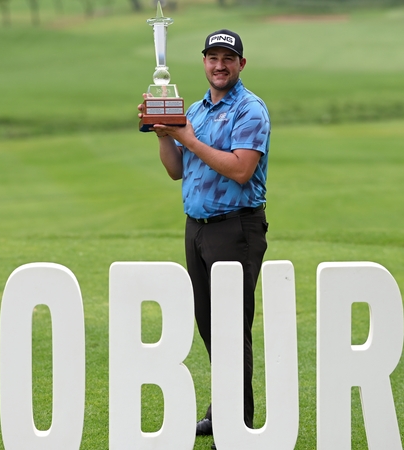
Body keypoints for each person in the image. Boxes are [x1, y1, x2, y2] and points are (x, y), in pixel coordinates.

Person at [138, 29, 270, 447]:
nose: (219, 65)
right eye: (212, 57)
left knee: (233, 327)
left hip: (236, 229)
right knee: (210, 326)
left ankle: (239, 425)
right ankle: (222, 410)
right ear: (204, 62)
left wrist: (187, 137)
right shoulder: (192, 109)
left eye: (227, 59)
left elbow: (240, 169)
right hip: (196, 229)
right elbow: (176, 169)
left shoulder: (250, 109)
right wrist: (164, 134)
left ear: (241, 65)